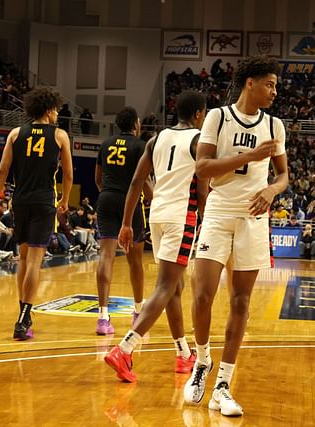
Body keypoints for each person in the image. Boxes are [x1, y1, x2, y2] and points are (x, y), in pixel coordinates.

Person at [183, 56, 288, 417]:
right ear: (250, 83)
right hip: (219, 210)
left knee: (241, 302)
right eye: (269, 84)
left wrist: (273, 191)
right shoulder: (218, 117)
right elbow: (203, 168)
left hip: (253, 218)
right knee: (201, 296)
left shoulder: (275, 125)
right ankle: (202, 361)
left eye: (275, 85)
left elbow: (283, 176)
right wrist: (250, 155)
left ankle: (223, 384)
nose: (274, 91)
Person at [104, 91, 208, 380]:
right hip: (181, 217)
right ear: (199, 114)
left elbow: (137, 181)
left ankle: (182, 353)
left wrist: (126, 223)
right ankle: (124, 350)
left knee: (174, 288)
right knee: (166, 287)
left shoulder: (155, 139)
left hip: (158, 214)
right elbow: (200, 190)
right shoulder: (198, 140)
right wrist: (207, 219)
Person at [0, 87, 73, 340]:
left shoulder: (16, 133)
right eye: (56, 109)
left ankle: (23, 314)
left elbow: (3, 170)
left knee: (24, 260)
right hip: (44, 201)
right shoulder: (60, 136)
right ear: (48, 110)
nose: (57, 113)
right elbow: (68, 174)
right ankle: (24, 317)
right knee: (35, 261)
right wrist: (65, 199)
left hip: (20, 201)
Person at [93, 107, 149, 335]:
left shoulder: (106, 144)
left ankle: (103, 317)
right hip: (131, 202)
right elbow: (141, 181)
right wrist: (155, 200)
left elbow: (97, 178)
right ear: (135, 124)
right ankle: (137, 312)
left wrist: (109, 193)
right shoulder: (140, 145)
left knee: (105, 256)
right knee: (135, 260)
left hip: (106, 198)